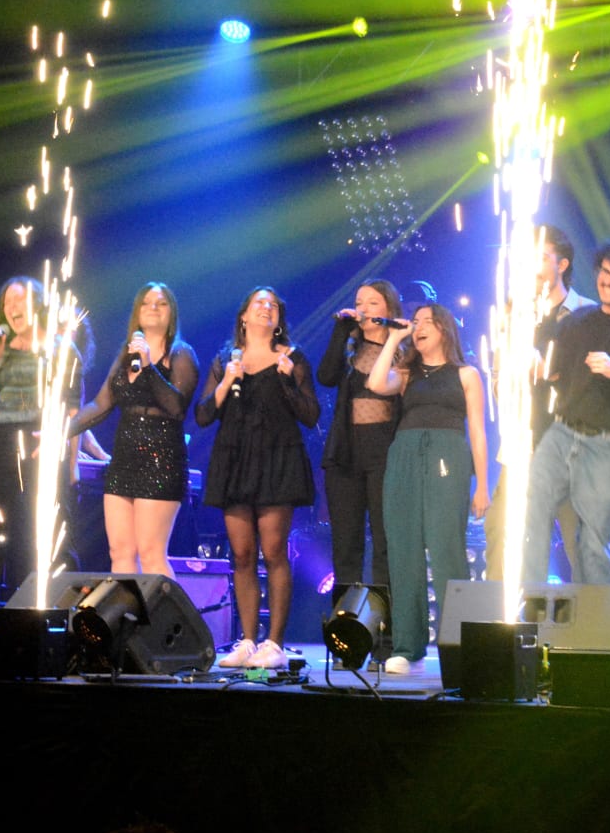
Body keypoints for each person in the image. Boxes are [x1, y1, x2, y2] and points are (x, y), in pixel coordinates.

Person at [520, 236, 610, 590]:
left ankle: (595, 627)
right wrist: (534, 363)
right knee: (530, 517)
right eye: (604, 271)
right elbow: (552, 373)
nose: (608, 279)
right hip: (561, 433)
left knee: (593, 541)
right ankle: (525, 611)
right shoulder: (579, 319)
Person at [197, 287, 319, 670]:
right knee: (243, 554)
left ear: (278, 319)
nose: (266, 309)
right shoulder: (224, 359)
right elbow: (202, 416)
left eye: (273, 306)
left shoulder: (292, 358)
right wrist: (224, 380)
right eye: (258, 304)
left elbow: (310, 414)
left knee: (274, 552)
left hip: (277, 458)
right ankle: (248, 640)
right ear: (243, 317)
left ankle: (275, 644)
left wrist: (286, 380)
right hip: (234, 459)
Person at [366, 303, 490, 676]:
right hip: (404, 453)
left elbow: (478, 431)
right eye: (414, 322)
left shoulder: (466, 373)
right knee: (403, 550)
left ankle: (460, 644)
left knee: (446, 548)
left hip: (447, 455)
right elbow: (374, 383)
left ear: (444, 329)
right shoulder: (407, 373)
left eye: (426, 322)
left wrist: (482, 484)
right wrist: (394, 338)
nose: (418, 327)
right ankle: (408, 644)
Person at [0, 276, 93, 621]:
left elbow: (72, 409)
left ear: (37, 304)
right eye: (7, 302)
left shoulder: (61, 348)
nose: (12, 308)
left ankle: (62, 620)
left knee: (49, 535)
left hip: (44, 440)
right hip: (1, 441)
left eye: (19, 300)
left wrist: (67, 458)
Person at [485, 224, 595, 582]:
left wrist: (549, 371)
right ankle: (501, 629)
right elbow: (499, 387)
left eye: (541, 256)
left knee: (580, 541)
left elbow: (593, 385)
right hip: (522, 447)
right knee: (502, 534)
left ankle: (592, 628)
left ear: (561, 264)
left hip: (570, 446)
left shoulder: (588, 314)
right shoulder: (515, 317)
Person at [69, 281, 198, 581]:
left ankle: (163, 624)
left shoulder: (181, 354)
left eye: (161, 303)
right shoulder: (126, 355)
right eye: (146, 302)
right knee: (121, 552)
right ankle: (129, 625)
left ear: (171, 314)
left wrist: (150, 367)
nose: (153, 307)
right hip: (124, 461)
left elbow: (177, 408)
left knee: (151, 553)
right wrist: (60, 431)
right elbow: (101, 404)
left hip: (161, 461)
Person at [316, 279, 404, 591]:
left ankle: (386, 630)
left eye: (372, 303)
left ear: (389, 309)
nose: (363, 309)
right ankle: (346, 631)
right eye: (359, 302)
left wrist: (395, 337)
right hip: (346, 451)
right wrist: (341, 331)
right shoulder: (349, 349)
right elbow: (325, 376)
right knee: (346, 545)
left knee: (385, 541)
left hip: (385, 450)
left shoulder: (402, 353)